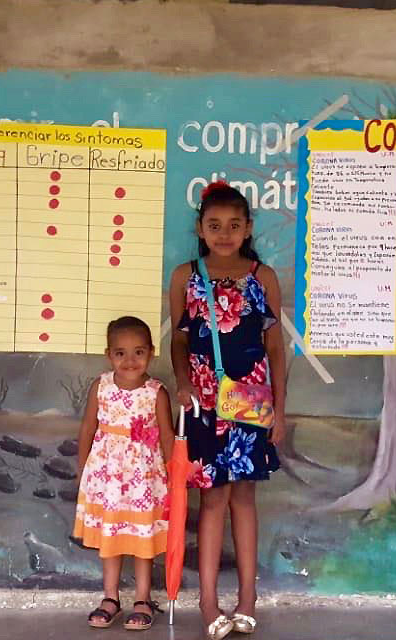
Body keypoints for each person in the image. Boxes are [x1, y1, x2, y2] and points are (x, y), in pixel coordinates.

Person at [168, 182, 287, 640]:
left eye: (233, 226)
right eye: (214, 225)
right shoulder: (185, 275)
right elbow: (178, 338)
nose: (223, 234)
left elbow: (274, 346)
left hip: (252, 402)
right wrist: (181, 382)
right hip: (202, 401)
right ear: (200, 228)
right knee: (211, 498)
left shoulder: (263, 275)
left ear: (248, 229)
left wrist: (281, 407)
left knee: (244, 497)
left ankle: (247, 600)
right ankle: (208, 602)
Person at [74, 316, 175, 631]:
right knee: (111, 538)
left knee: (142, 540)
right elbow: (88, 428)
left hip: (144, 481)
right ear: (109, 355)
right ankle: (110, 598)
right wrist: (83, 472)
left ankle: (143, 599)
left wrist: (174, 478)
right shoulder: (100, 386)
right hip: (106, 480)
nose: (130, 361)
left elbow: (168, 438)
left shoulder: (156, 392)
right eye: (121, 353)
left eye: (138, 352)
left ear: (151, 353)